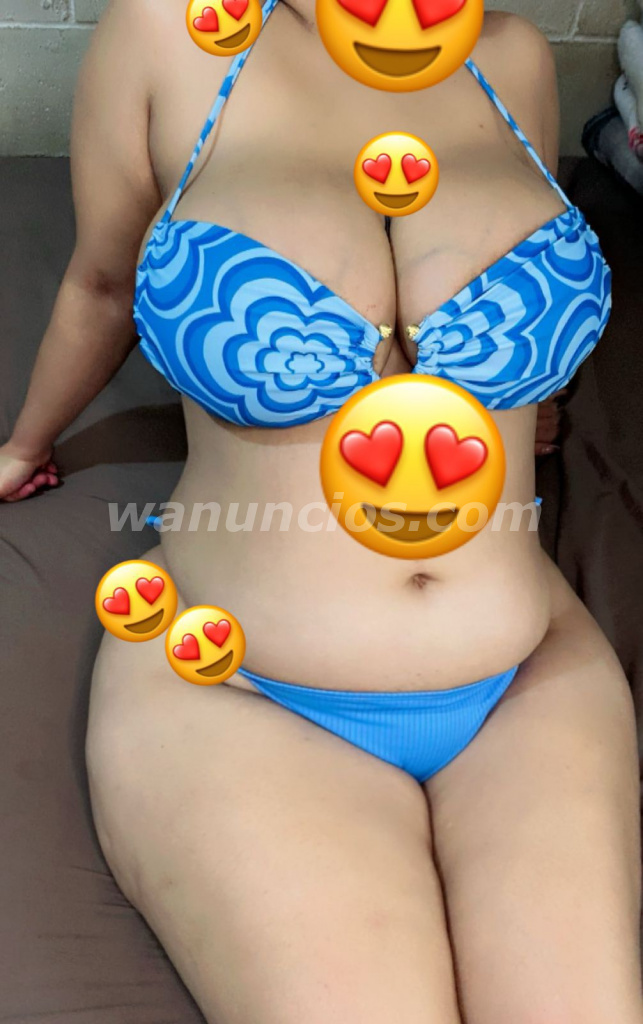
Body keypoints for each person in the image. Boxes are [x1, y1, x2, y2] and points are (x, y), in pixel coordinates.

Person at [1, 1, 640, 1021]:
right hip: (242, 687)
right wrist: (23, 447)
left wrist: (522, 385)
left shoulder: (510, 57)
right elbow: (104, 282)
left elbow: (505, 303)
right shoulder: (169, 35)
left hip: (530, 675)